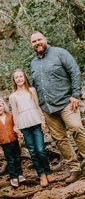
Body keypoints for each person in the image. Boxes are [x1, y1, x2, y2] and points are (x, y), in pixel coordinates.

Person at [30, 31, 85, 183]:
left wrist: (75, 94)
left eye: (39, 39)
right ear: (32, 44)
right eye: (34, 41)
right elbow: (34, 86)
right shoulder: (33, 63)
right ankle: (75, 169)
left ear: (45, 39)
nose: (37, 43)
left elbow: (74, 71)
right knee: (60, 139)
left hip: (67, 102)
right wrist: (39, 107)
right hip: (48, 108)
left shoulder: (60, 53)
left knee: (76, 128)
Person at [9, 68, 54, 187]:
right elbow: (15, 112)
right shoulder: (13, 96)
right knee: (33, 152)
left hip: (35, 122)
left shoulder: (32, 90)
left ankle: (48, 171)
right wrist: (16, 127)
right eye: (16, 77)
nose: (19, 79)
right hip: (24, 125)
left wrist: (42, 120)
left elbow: (38, 106)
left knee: (41, 149)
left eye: (21, 76)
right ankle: (41, 175)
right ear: (14, 80)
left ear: (24, 78)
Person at [0, 97, 25, 188]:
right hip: (5, 143)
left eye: (0, 106)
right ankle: (13, 177)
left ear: (3, 106)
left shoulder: (10, 115)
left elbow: (16, 126)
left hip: (14, 140)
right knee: (10, 160)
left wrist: (19, 133)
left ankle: (20, 174)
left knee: (17, 158)